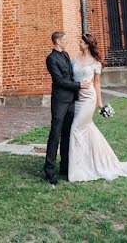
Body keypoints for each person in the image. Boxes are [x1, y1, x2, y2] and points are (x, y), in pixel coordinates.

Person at [68, 33, 127, 182]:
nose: (78, 43)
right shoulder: (74, 60)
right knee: (87, 129)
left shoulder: (95, 63)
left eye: (81, 41)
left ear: (87, 44)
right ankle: (93, 162)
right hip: (77, 98)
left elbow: (97, 84)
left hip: (88, 98)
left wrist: (100, 104)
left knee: (76, 129)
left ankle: (77, 171)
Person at [44, 31, 90, 185]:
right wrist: (79, 85)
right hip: (59, 101)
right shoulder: (51, 59)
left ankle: (64, 166)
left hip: (71, 100)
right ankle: (49, 169)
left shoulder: (65, 55)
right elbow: (59, 80)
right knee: (55, 134)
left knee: (67, 135)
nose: (66, 42)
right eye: (64, 40)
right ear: (57, 41)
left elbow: (70, 75)